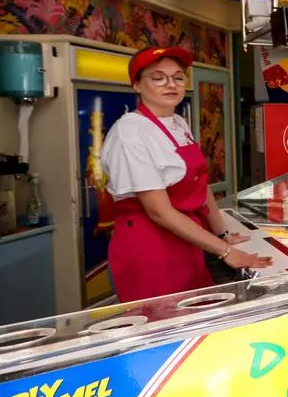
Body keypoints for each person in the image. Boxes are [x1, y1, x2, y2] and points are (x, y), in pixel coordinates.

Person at [101, 47, 271, 303]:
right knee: (164, 325)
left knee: (194, 313)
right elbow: (158, 211)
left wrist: (222, 233)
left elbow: (201, 184)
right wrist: (225, 252)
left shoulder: (178, 122)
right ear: (136, 85)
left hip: (187, 239)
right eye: (158, 77)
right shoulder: (130, 131)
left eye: (178, 78)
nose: (171, 84)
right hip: (150, 246)